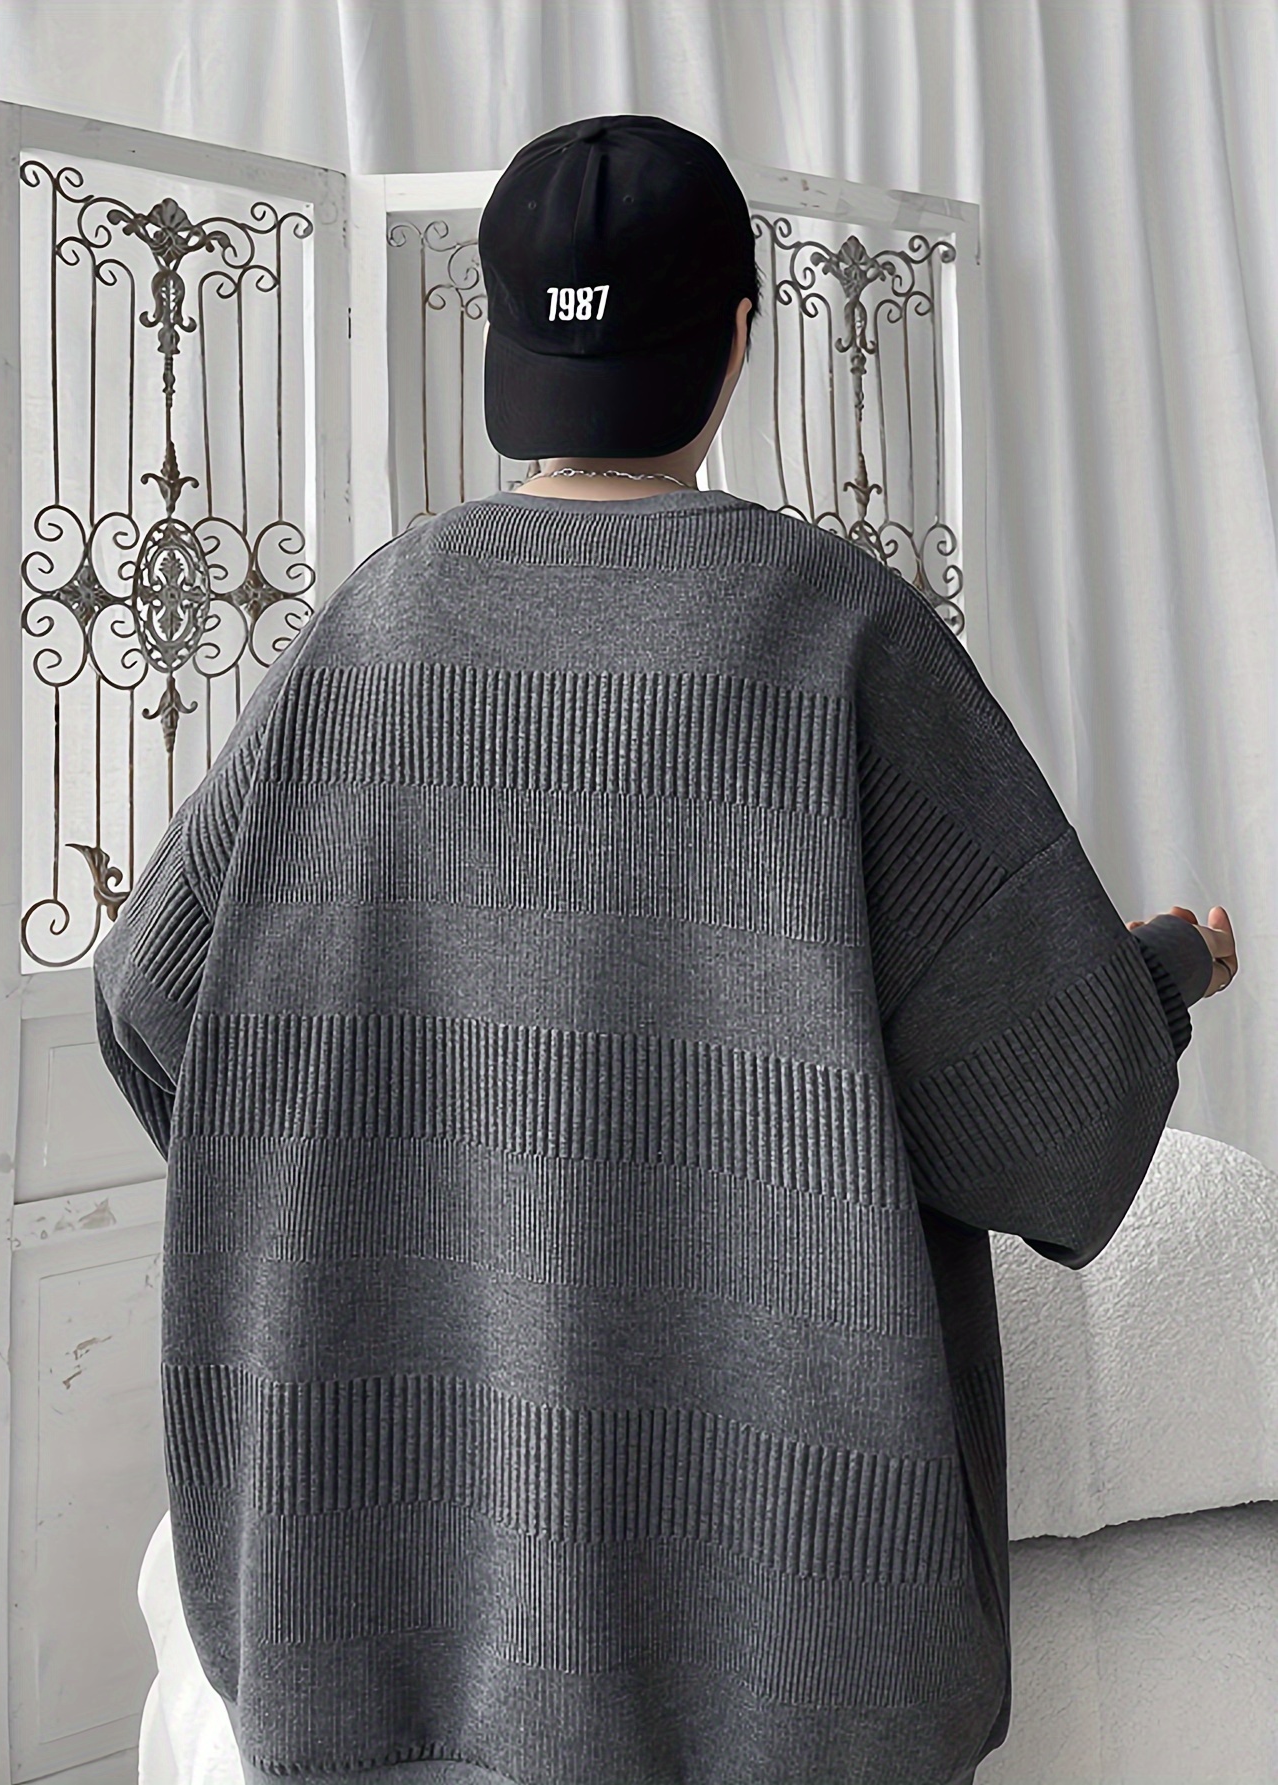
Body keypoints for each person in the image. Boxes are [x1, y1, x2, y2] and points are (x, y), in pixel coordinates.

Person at [95, 114, 1237, 1785]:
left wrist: (387, 1157)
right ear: (740, 338)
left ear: (503, 343)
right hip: (784, 1662)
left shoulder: (372, 630)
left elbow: (152, 999)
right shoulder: (836, 634)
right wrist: (1163, 971)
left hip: (377, 1627)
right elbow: (1053, 1118)